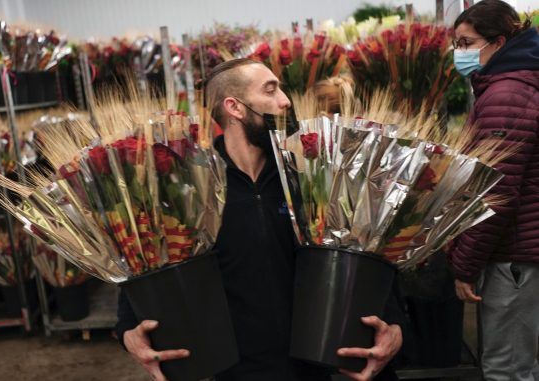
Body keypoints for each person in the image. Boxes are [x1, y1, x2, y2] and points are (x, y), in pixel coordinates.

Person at [115, 58, 403, 381]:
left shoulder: (309, 171)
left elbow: (364, 250)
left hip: (317, 367)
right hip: (238, 370)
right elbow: (148, 263)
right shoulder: (192, 184)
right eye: (271, 90)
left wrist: (395, 324)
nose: (286, 101)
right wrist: (128, 330)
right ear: (234, 107)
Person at [448, 1, 539, 380]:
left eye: (466, 43)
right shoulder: (514, 83)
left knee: (508, 368)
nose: (459, 53)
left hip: (512, 256)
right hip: (519, 251)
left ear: (498, 41)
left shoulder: (506, 94)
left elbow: (496, 192)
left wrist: (464, 265)